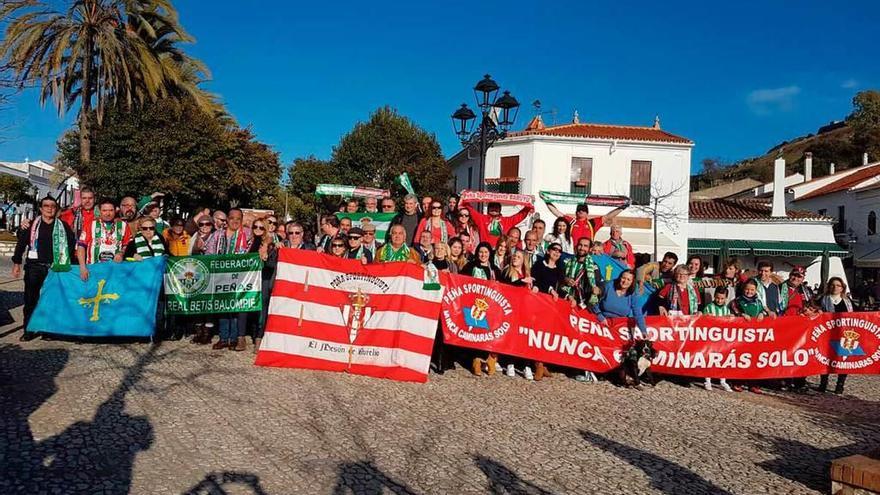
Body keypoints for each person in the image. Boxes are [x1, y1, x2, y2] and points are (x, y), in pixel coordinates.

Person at [12, 196, 76, 340]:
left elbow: (71, 245)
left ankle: (48, 330)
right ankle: (29, 329)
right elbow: (21, 245)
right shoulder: (31, 225)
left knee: (52, 299)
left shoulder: (63, 226)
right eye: (46, 206)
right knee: (30, 300)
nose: (49, 209)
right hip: (35, 267)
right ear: (41, 209)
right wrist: (16, 263)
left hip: (55, 269)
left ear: (57, 209)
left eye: (52, 206)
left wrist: (66, 262)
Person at [205, 208, 251, 350]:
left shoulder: (247, 235)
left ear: (242, 220)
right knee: (223, 307)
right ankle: (223, 338)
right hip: (220, 276)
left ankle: (234, 338)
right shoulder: (217, 235)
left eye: (238, 218)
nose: (235, 221)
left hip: (239, 277)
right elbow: (208, 253)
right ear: (227, 220)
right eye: (232, 218)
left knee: (236, 307)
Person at [529, 242, 565, 381]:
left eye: (559, 251)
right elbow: (536, 281)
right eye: (554, 249)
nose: (556, 252)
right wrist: (548, 289)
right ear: (549, 251)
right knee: (536, 334)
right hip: (537, 304)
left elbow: (560, 287)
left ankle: (543, 363)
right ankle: (537, 364)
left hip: (550, 307)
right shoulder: (539, 264)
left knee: (546, 336)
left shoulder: (559, 269)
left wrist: (568, 296)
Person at [76, 198, 133, 281]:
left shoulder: (123, 225)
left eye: (111, 210)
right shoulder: (91, 224)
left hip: (115, 272)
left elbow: (128, 245)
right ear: (99, 211)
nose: (107, 214)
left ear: (115, 210)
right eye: (104, 210)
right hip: (93, 271)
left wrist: (121, 253)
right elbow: (81, 246)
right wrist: (82, 267)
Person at [818, 277, 854, 394]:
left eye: (838, 285)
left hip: (843, 334)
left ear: (842, 288)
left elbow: (858, 314)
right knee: (825, 358)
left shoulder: (848, 301)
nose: (835, 287)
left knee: (843, 359)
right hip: (826, 333)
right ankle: (823, 382)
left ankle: (840, 384)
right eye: (833, 285)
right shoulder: (822, 300)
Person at [544, 200, 628, 247]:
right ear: (576, 212)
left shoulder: (592, 223)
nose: (581, 211)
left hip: (587, 253)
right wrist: (546, 201)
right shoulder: (571, 222)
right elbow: (557, 213)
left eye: (583, 210)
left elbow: (608, 216)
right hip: (572, 252)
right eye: (579, 210)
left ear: (587, 213)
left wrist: (622, 208)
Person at [249, 218, 278, 353]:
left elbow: (272, 264)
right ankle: (249, 334)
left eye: (261, 227)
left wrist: (265, 256)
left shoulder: (270, 244)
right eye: (256, 227)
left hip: (264, 278)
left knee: (262, 307)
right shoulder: (249, 242)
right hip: (250, 279)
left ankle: (259, 338)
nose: (258, 230)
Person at [459, 198, 533, 248]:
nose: (494, 209)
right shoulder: (482, 219)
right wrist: (465, 199)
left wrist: (528, 206)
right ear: (488, 209)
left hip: (500, 251)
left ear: (500, 209)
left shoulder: (506, 221)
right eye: (492, 207)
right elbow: (471, 211)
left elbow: (519, 216)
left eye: (496, 207)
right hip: (485, 251)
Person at [701, 290, 734, 392]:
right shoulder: (709, 307)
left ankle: (723, 380)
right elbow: (704, 320)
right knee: (710, 358)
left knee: (723, 358)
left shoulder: (726, 310)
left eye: (722, 299)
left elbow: (730, 323)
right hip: (711, 338)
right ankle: (707, 380)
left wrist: (732, 318)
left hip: (722, 339)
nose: (719, 300)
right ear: (714, 297)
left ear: (725, 299)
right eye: (717, 298)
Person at [560, 237, 602, 308]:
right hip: (565, 298)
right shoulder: (568, 261)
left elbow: (598, 284)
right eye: (580, 245)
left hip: (581, 303)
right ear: (576, 246)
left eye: (585, 246)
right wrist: (565, 279)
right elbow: (558, 276)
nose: (582, 248)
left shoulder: (593, 267)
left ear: (590, 249)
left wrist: (598, 290)